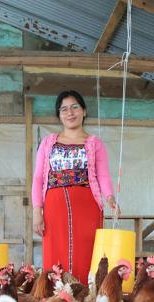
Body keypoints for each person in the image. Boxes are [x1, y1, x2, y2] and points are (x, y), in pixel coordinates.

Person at [31, 90, 119, 285]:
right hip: (54, 207)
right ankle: (55, 300)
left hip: (87, 206)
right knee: (55, 253)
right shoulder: (47, 143)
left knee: (86, 252)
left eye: (74, 107)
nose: (69, 113)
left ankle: (86, 301)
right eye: (64, 109)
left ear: (84, 111)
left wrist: (110, 197)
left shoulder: (95, 143)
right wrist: (37, 211)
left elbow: (103, 174)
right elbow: (37, 178)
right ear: (59, 115)